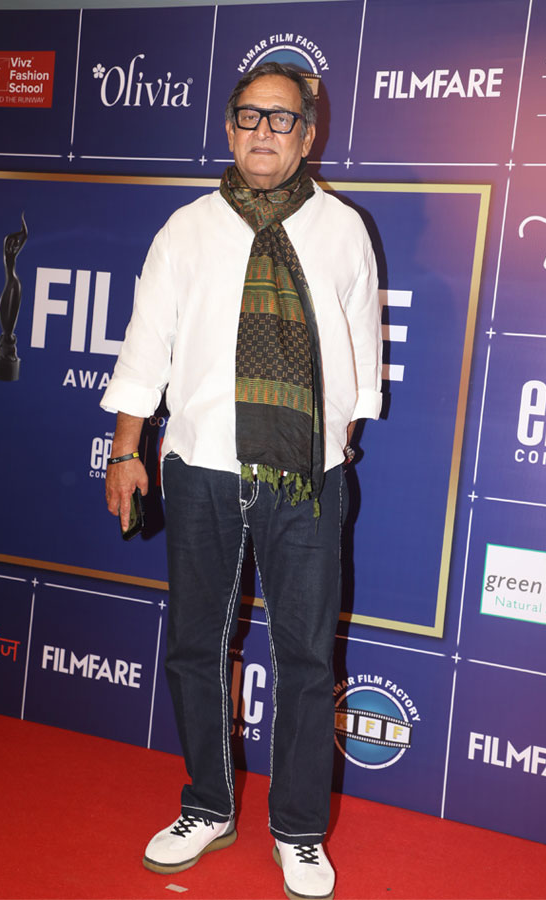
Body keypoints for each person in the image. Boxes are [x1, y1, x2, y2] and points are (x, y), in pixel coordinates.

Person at [100, 61, 383, 900]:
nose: (265, 131)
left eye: (282, 118)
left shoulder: (343, 230)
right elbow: (145, 346)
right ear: (229, 128)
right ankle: (208, 806)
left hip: (307, 478)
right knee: (196, 646)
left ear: (308, 136)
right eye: (250, 116)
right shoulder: (186, 229)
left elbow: (361, 352)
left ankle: (298, 830)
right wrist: (125, 451)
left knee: (305, 658)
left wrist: (326, 448)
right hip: (200, 469)